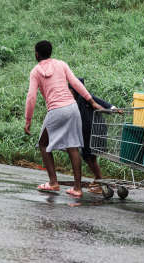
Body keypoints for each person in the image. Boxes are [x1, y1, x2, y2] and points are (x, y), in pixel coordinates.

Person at [24, 40, 103, 198]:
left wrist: (28, 119)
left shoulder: (36, 71)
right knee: (72, 147)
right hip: (72, 108)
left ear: (37, 54)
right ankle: (77, 188)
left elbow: (31, 96)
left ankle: (53, 183)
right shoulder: (61, 64)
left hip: (56, 110)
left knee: (43, 143)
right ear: (50, 52)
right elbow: (75, 84)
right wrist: (92, 102)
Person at [69, 78, 116, 194]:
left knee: (88, 155)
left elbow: (101, 102)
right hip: (85, 132)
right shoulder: (71, 100)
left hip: (94, 131)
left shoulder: (85, 97)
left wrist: (113, 108)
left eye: (70, 89)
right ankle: (98, 179)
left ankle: (100, 180)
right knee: (88, 156)